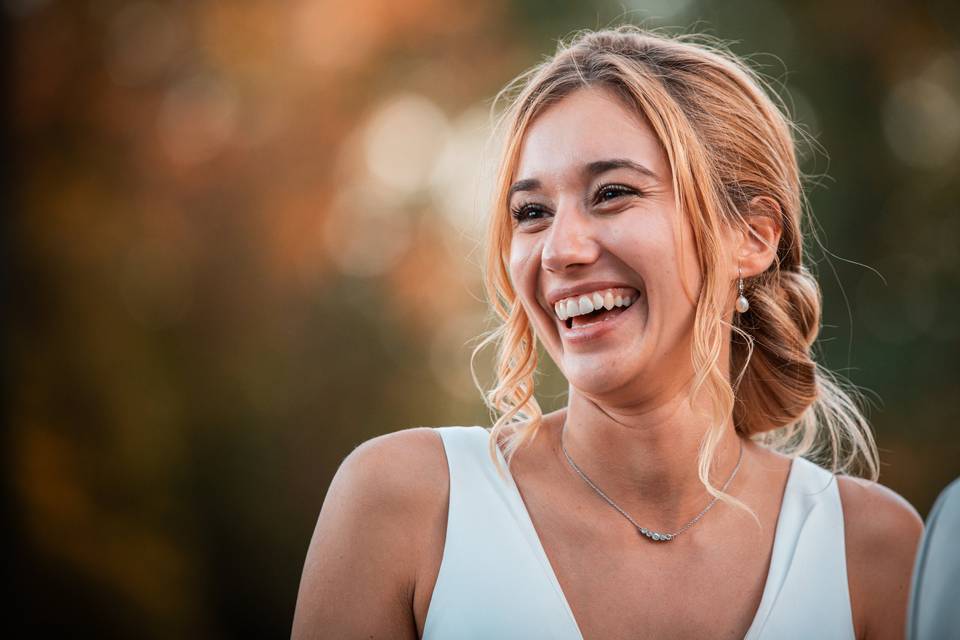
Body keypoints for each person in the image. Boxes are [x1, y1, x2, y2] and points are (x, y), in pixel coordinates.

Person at [292, 26, 924, 639]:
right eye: (531, 212)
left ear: (751, 236)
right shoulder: (405, 504)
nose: (558, 250)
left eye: (613, 192)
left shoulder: (874, 552)